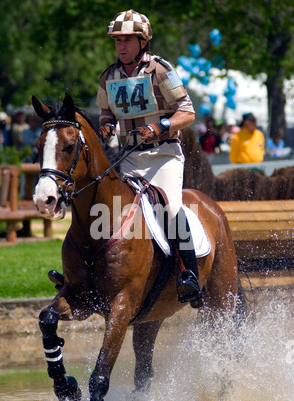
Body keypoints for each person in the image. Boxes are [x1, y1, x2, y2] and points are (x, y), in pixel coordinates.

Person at [96, 9, 202, 307]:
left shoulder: (160, 70)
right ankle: (85, 273)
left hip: (164, 155)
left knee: (170, 208)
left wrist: (161, 125)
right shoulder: (109, 76)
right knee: (106, 207)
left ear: (143, 41)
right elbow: (106, 111)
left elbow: (187, 112)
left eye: (127, 40)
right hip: (128, 156)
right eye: (117, 40)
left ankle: (189, 276)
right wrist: (106, 124)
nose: (121, 46)